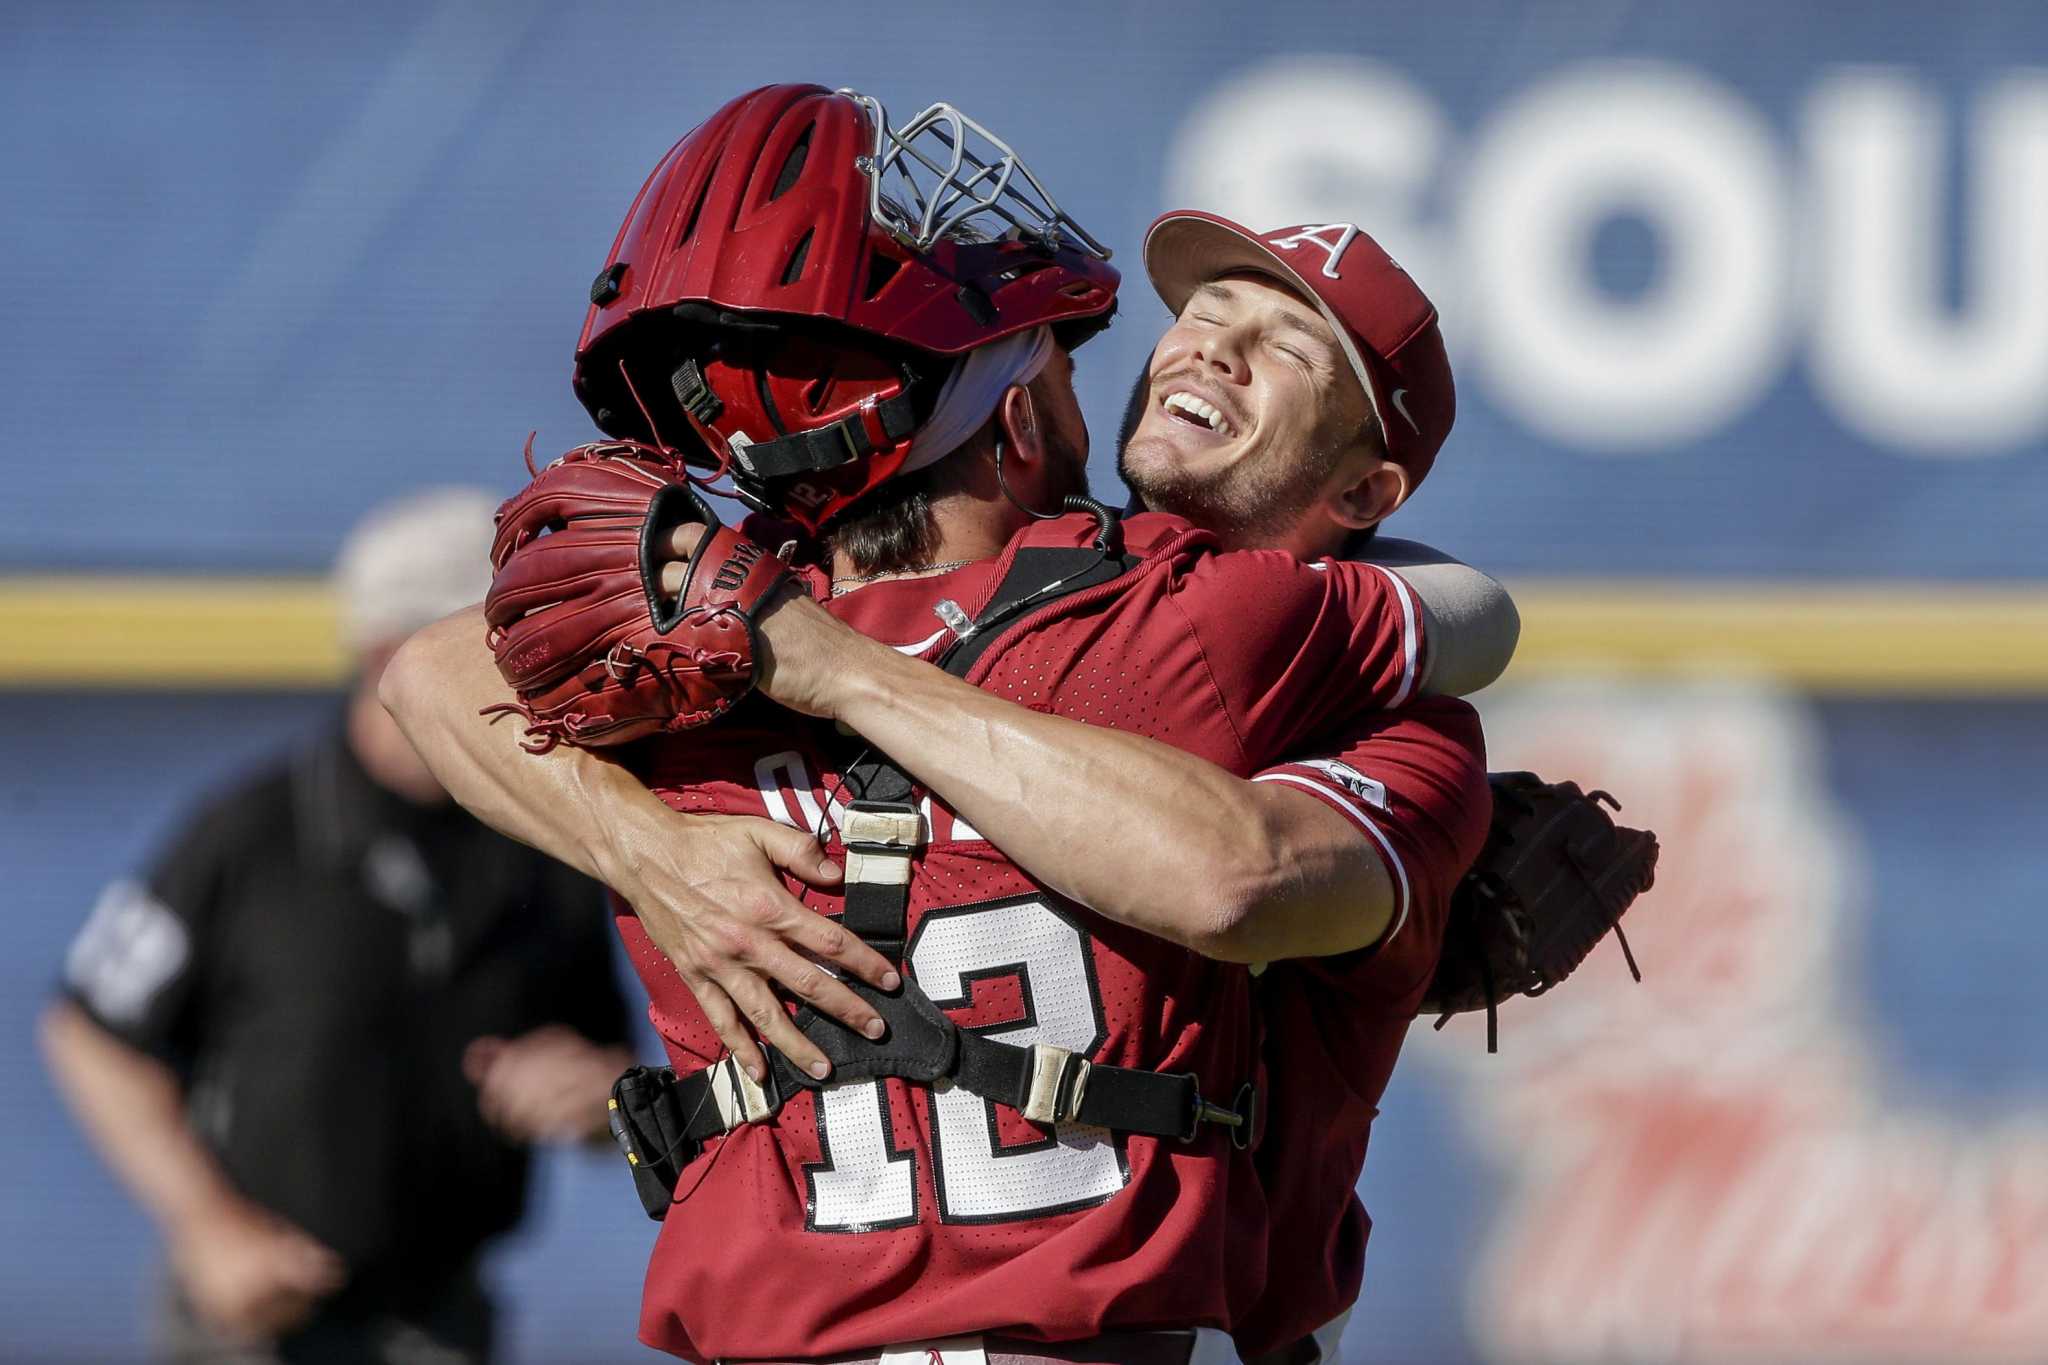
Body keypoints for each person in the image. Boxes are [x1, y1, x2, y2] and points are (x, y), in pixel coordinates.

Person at [383, 85, 1501, 1363]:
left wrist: (778, 698)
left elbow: (427, 675)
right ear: (1023, 418)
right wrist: (657, 853)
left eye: (1288, 350)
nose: (1205, 348)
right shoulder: (1200, 631)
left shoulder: (709, 641)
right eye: (1197, 317)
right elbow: (1457, 620)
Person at [39, 490, 636, 1365]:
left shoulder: (551, 837)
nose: (536, 673)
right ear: (390, 653)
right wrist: (209, 1225)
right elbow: (92, 1033)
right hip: (259, 1324)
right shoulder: (251, 833)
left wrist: (600, 1098)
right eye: (504, 644)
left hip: (445, 1316)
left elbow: (606, 1070)